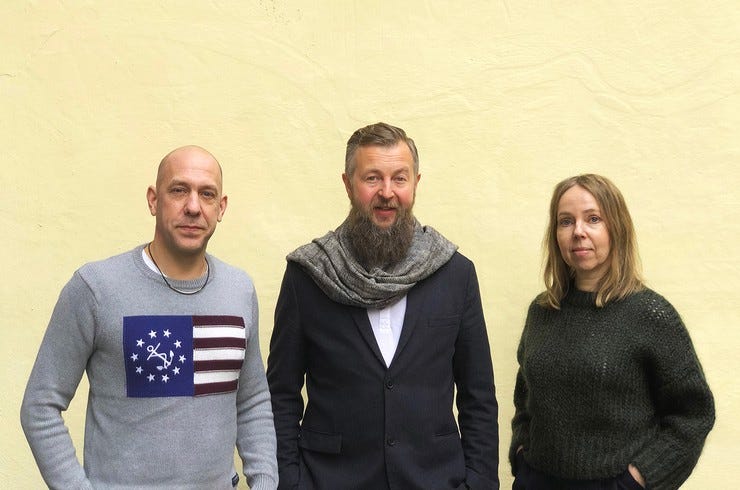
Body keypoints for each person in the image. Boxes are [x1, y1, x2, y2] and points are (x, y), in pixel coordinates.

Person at [21, 146, 278, 490]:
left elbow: (252, 401)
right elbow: (39, 406)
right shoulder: (96, 288)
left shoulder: (239, 290)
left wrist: (265, 482)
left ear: (221, 207)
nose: (193, 207)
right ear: (153, 200)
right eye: (179, 190)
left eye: (207, 194)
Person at [266, 122, 499, 490]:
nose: (387, 193)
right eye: (372, 178)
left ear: (415, 184)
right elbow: (281, 394)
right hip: (330, 480)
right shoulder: (309, 274)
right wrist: (290, 483)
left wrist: (480, 482)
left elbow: (479, 397)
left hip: (435, 479)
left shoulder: (455, 274)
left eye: (399, 179)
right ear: (348, 184)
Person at [510, 174, 715, 490]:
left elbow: (693, 415)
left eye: (593, 219)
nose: (578, 231)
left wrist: (639, 479)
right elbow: (525, 397)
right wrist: (521, 451)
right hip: (536, 480)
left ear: (616, 228)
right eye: (566, 221)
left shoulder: (649, 315)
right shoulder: (542, 311)